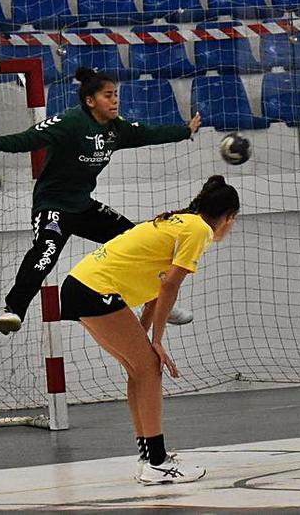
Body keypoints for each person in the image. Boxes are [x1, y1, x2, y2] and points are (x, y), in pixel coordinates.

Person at [0, 67, 202, 334]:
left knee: (138, 240)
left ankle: (156, 302)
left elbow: (148, 133)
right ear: (90, 100)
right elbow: (32, 138)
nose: (115, 100)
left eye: (116, 95)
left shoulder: (116, 129)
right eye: (108, 95)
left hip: (83, 206)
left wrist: (185, 131)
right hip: (53, 205)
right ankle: (13, 311)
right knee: (46, 253)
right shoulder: (70, 122)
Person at [61, 175, 238, 484]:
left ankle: (149, 456)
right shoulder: (200, 231)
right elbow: (170, 285)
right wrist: (156, 341)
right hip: (95, 289)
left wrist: (146, 335)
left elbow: (156, 292)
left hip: (81, 286)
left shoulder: (180, 222)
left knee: (139, 368)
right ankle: (157, 462)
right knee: (149, 367)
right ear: (228, 218)